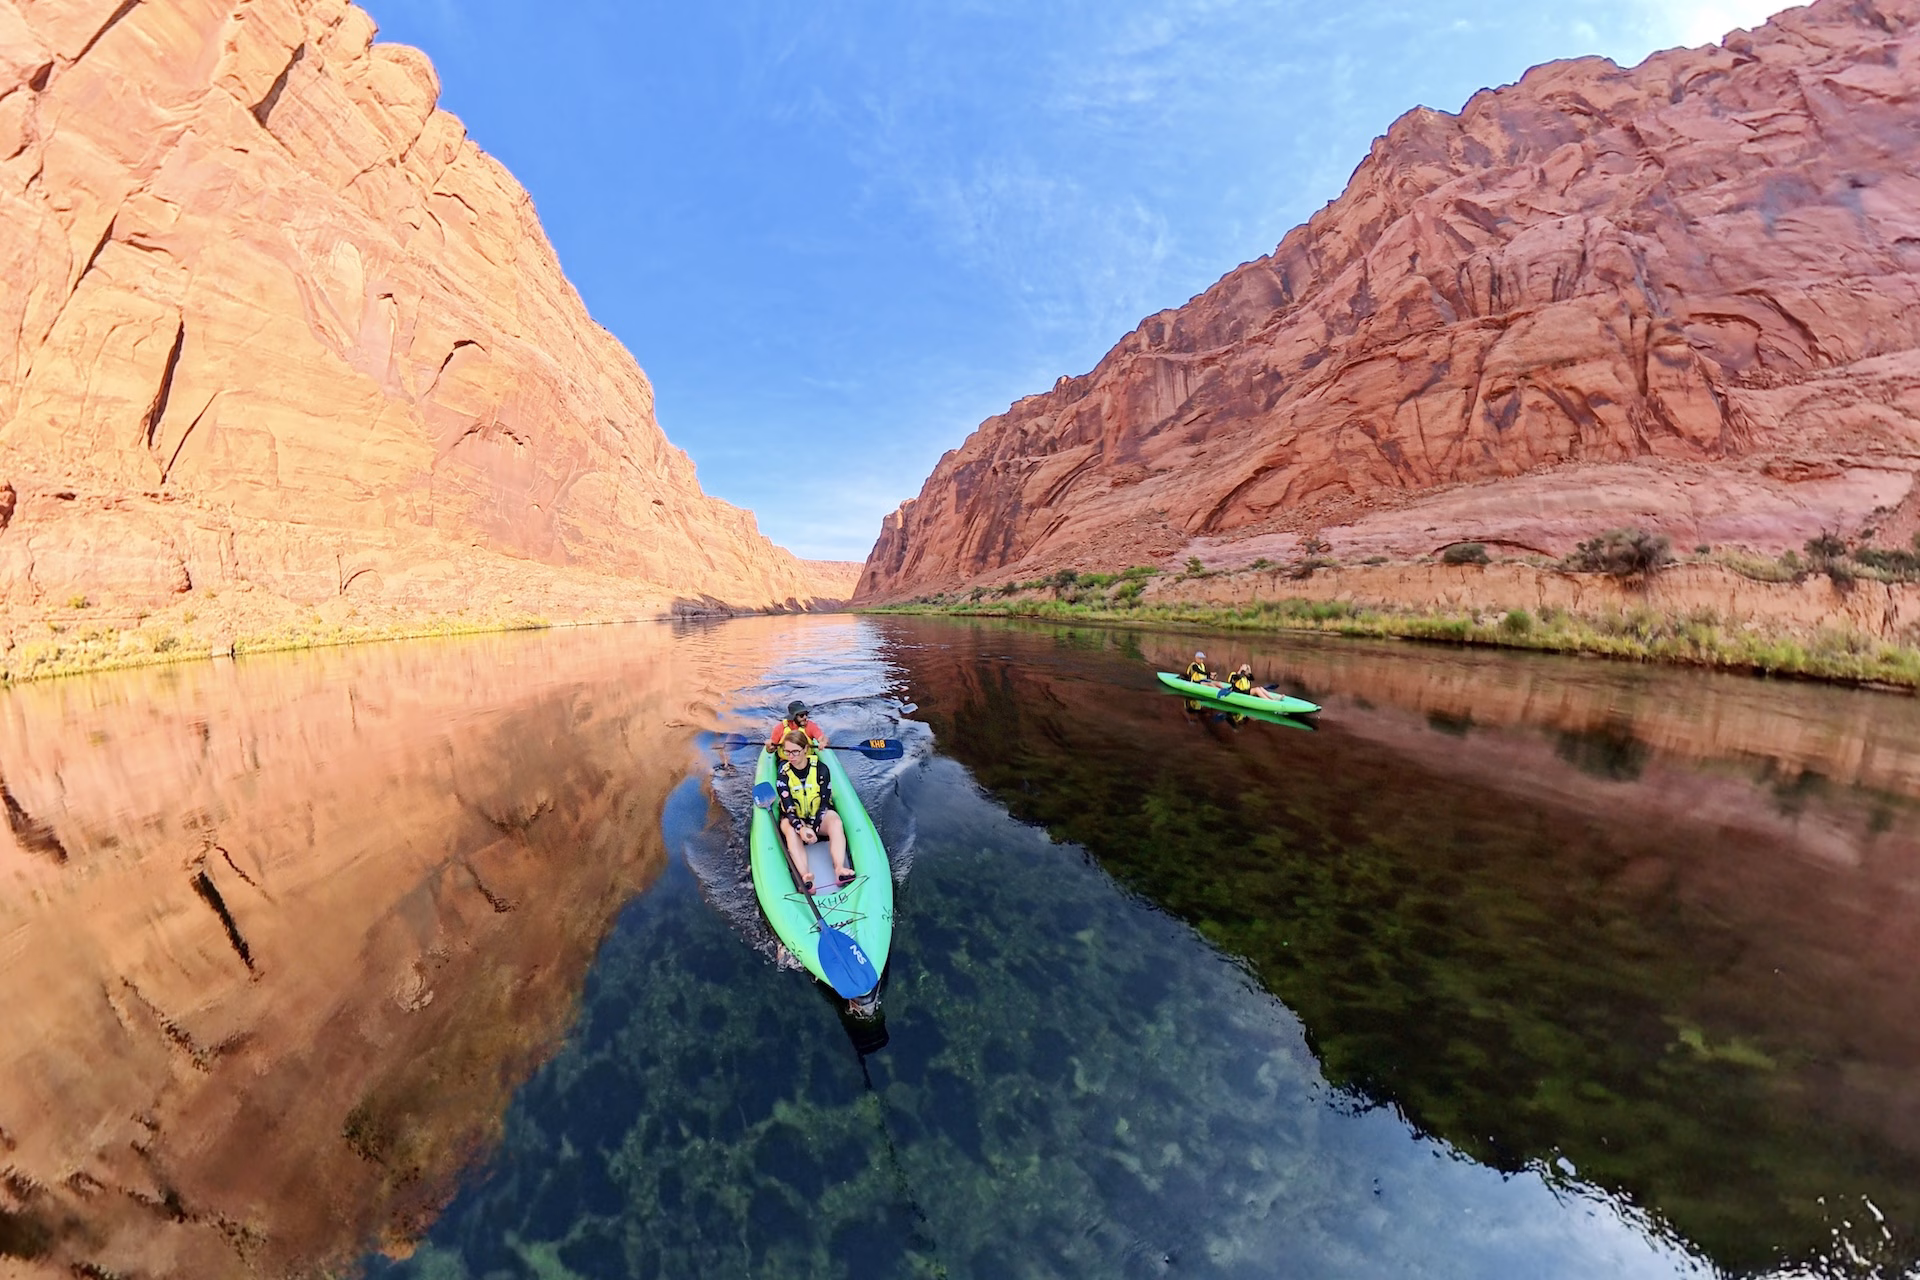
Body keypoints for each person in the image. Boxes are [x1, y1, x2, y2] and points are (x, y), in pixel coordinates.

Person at [773, 732, 853, 893]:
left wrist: (814, 827)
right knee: (788, 828)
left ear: (806, 749)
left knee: (835, 822)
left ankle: (839, 869)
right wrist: (801, 828)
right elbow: (789, 809)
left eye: (795, 751)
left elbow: (824, 802)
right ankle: (805, 877)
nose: (791, 756)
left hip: (818, 815)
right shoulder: (783, 777)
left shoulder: (821, 770)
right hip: (796, 819)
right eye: (787, 752)